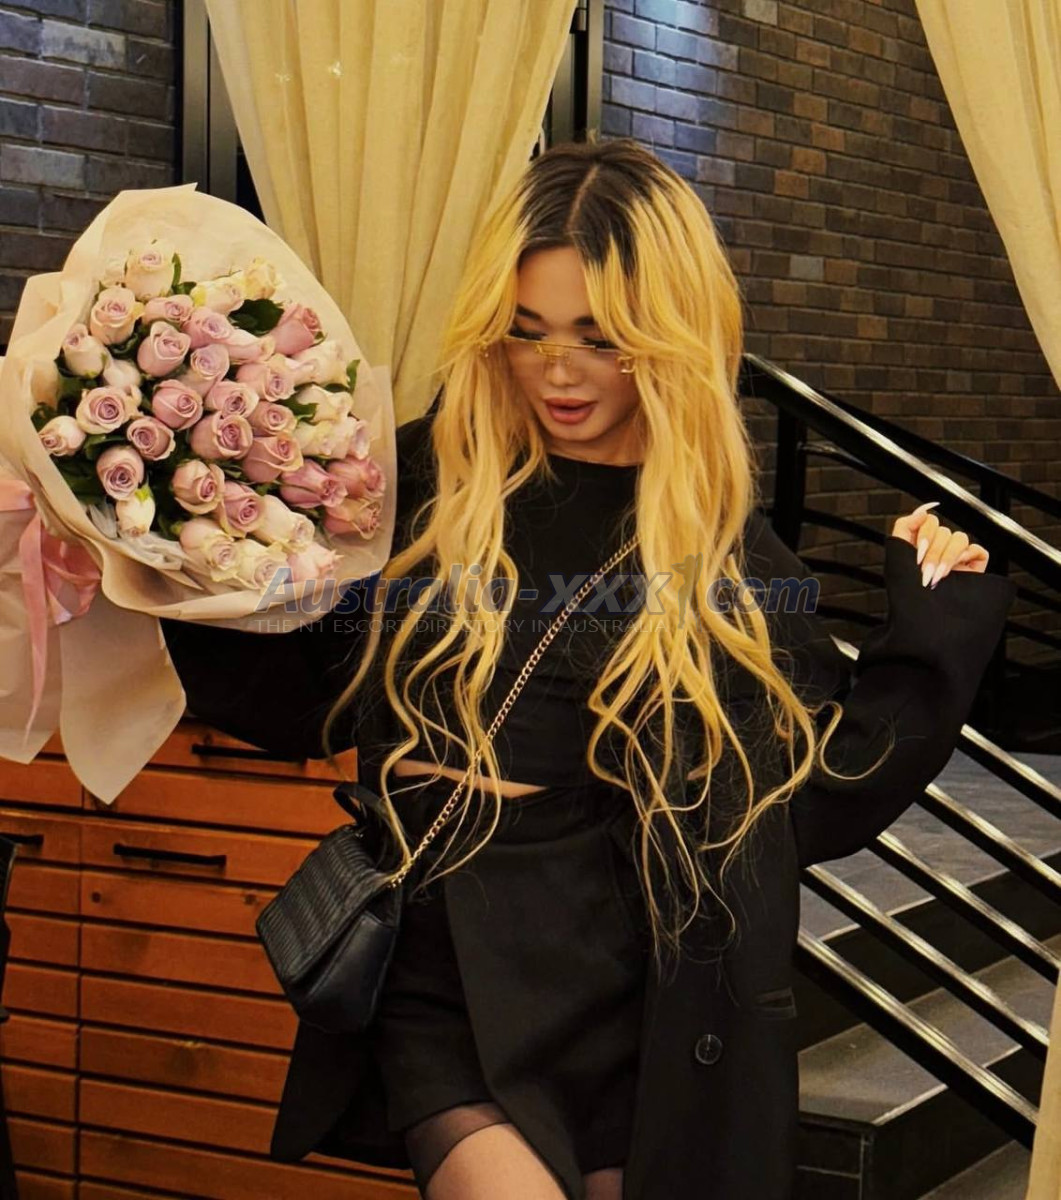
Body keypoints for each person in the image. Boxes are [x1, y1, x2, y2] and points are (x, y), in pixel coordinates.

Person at [160, 137, 1017, 1200]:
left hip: (630, 982)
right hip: (448, 961)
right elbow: (302, 706)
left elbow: (813, 797)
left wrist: (934, 630)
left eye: (599, 338)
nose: (557, 371)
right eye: (527, 332)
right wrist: (172, 563)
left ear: (668, 334)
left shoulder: (720, 550)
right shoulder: (428, 478)